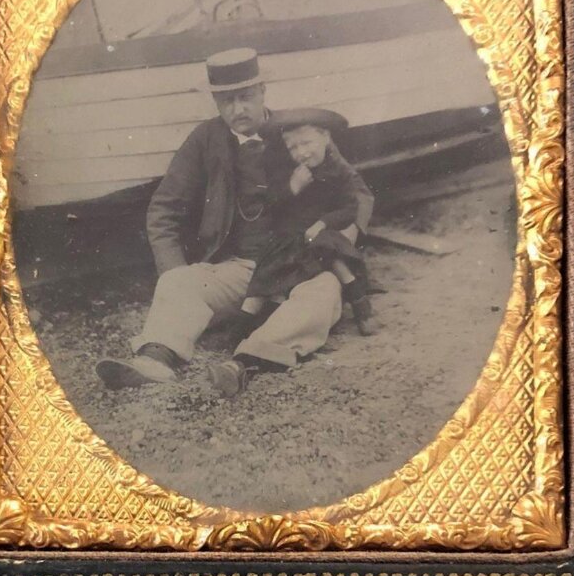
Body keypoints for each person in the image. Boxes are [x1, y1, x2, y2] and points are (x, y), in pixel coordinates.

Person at [95, 47, 374, 396]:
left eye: (245, 98)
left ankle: (245, 363)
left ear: (262, 94)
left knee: (324, 293)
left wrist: (340, 238)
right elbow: (163, 209)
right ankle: (157, 360)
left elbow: (359, 193)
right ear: (216, 103)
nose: (237, 109)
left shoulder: (295, 131)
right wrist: (174, 275)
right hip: (239, 268)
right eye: (226, 101)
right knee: (180, 282)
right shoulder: (206, 139)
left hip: (301, 262)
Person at [233, 108, 373, 337]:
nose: (302, 153)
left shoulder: (338, 171)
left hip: (322, 231)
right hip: (291, 233)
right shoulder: (289, 171)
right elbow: (271, 205)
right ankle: (243, 325)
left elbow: (350, 208)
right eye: (293, 148)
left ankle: (358, 298)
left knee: (329, 250)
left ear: (326, 137)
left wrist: (323, 223)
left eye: (307, 143)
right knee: (267, 271)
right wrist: (292, 187)